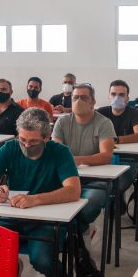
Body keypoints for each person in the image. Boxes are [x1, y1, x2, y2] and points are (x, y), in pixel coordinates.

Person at [0, 108, 81, 277]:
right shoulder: (11, 148)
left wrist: (35, 199)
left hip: (49, 220)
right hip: (16, 215)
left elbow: (73, 190)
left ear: (46, 137)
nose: (26, 145)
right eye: (22, 140)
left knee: (42, 259)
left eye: (33, 141)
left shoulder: (60, 152)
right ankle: (12, 271)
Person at [51, 84, 116, 244]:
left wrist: (76, 160)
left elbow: (106, 156)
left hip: (95, 180)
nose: (78, 101)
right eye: (75, 98)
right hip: (65, 178)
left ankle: (76, 232)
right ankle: (75, 237)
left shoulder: (104, 123)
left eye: (84, 97)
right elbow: (55, 152)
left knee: (90, 203)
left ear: (93, 102)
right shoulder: (62, 122)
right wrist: (69, 162)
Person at [97, 80, 138, 189]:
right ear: (108, 97)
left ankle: (117, 203)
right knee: (101, 187)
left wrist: (116, 140)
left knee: (116, 188)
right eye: (113, 94)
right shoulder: (101, 112)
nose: (117, 98)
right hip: (103, 158)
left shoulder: (133, 112)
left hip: (128, 159)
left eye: (121, 95)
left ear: (127, 98)